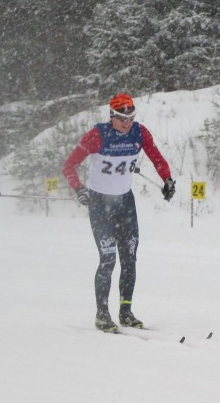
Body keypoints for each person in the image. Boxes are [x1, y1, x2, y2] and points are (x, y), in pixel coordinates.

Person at [62, 93, 176, 333]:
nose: (128, 123)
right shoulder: (97, 135)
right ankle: (102, 315)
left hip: (125, 204)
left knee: (130, 258)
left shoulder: (139, 132)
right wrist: (79, 189)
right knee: (108, 259)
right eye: (123, 118)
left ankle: (126, 312)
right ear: (112, 116)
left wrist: (167, 179)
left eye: (131, 117)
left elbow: (156, 157)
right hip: (100, 204)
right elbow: (69, 165)